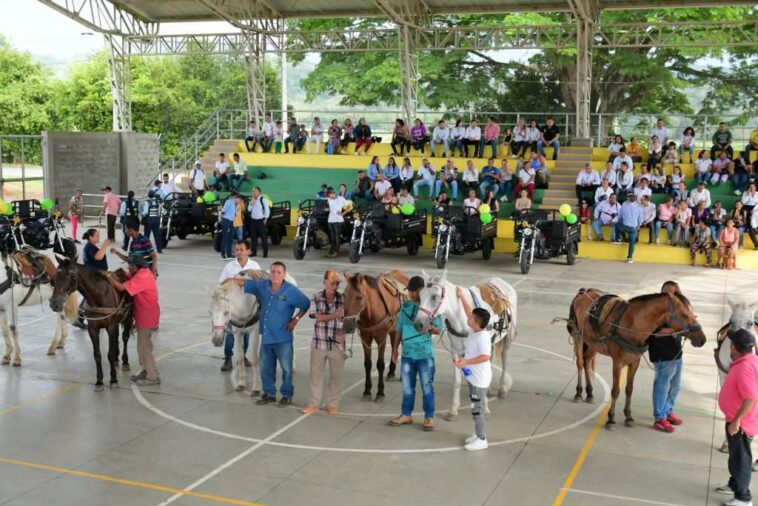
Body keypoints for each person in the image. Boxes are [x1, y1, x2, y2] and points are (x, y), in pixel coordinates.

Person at [226, 262, 310, 407]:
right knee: (266, 368)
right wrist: (228, 281)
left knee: (286, 369)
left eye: (278, 272)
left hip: (283, 338)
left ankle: (286, 395)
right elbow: (243, 282)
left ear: (284, 274)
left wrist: (295, 319)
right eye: (273, 272)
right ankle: (269, 394)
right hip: (266, 337)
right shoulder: (263, 285)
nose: (275, 275)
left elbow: (306, 303)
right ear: (269, 273)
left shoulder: (291, 290)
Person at [389, 276, 443, 431]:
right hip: (407, 355)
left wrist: (430, 328)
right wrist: (394, 350)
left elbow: (440, 329)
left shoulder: (431, 308)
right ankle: (406, 414)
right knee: (407, 387)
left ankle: (429, 417)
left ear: (418, 291)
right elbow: (398, 329)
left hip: (424, 356)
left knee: (427, 387)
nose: (409, 294)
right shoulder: (405, 306)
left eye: (411, 291)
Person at [714, 328, 758, 505]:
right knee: (735, 457)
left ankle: (742, 498)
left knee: (741, 460)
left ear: (733, 347)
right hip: (740, 420)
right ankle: (735, 484)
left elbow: (750, 398)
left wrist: (737, 420)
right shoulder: (751, 360)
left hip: (740, 423)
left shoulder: (744, 368)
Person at [106, 253, 160, 386]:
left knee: (144, 348)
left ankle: (153, 377)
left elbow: (121, 287)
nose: (128, 268)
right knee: (142, 347)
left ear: (137, 266)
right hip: (145, 314)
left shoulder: (142, 277)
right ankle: (145, 370)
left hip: (146, 316)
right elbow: (125, 275)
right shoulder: (141, 272)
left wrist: (108, 278)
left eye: (130, 265)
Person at [301, 270, 346, 416]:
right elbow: (318, 317)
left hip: (337, 344)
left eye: (337, 283)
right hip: (319, 342)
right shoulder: (316, 297)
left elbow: (350, 320)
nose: (335, 286)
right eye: (332, 283)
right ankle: (314, 404)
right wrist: (335, 315)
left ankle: (332, 404)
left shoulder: (344, 299)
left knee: (336, 376)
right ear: (325, 282)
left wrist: (344, 332)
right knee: (315, 375)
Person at [453, 286, 492, 451]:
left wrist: (465, 363)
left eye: (472, 318)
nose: (468, 318)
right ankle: (477, 434)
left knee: (477, 409)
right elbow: (469, 312)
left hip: (479, 380)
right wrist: (461, 296)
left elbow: (485, 357)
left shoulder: (483, 337)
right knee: (474, 407)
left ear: (476, 323)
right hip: (472, 376)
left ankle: (482, 439)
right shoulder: (474, 328)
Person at [648, 281, 686, 434]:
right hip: (662, 354)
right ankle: (659, 418)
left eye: (675, 293)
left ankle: (668, 409)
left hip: (676, 353)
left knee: (675, 386)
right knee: (662, 386)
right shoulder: (655, 310)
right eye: (669, 292)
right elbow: (655, 332)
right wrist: (674, 329)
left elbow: (685, 324)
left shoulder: (676, 309)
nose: (672, 296)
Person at [218, 240, 261, 371]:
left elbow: (260, 284)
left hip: (248, 308)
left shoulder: (254, 266)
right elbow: (221, 284)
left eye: (242, 250)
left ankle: (243, 356)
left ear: (248, 251)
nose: (239, 252)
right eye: (237, 250)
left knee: (246, 334)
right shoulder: (230, 266)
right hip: (233, 308)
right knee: (231, 334)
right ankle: (228, 358)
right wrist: (231, 280)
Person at [614, 193, 643, 263]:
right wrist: (638, 226)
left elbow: (619, 217)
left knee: (616, 224)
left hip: (624, 227)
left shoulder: (623, 206)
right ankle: (629, 258)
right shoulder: (639, 207)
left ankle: (618, 239)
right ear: (635, 199)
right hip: (633, 228)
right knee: (632, 244)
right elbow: (640, 220)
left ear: (629, 198)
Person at [248, 187, 270, 258]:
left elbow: (267, 210)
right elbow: (249, 209)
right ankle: (254, 252)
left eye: (255, 191)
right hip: (253, 221)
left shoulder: (263, 199)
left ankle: (265, 253)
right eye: (253, 191)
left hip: (261, 221)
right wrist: (252, 203)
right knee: (253, 237)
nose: (254, 192)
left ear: (259, 192)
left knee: (263, 237)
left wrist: (266, 218)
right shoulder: (252, 199)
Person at [326, 188, 347, 258]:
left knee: (337, 236)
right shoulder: (328, 200)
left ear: (333, 193)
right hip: (330, 220)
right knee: (332, 236)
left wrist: (343, 213)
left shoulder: (341, 198)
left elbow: (349, 206)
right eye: (329, 196)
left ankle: (336, 251)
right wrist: (328, 209)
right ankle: (331, 251)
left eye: (331, 195)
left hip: (338, 220)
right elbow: (331, 207)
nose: (330, 197)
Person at [218, 193, 236, 260]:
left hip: (231, 221)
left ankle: (229, 254)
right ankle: (223, 255)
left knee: (230, 238)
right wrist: (220, 218)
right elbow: (223, 211)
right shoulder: (229, 202)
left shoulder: (234, 204)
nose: (239, 200)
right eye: (238, 198)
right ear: (234, 197)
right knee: (225, 238)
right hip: (226, 221)